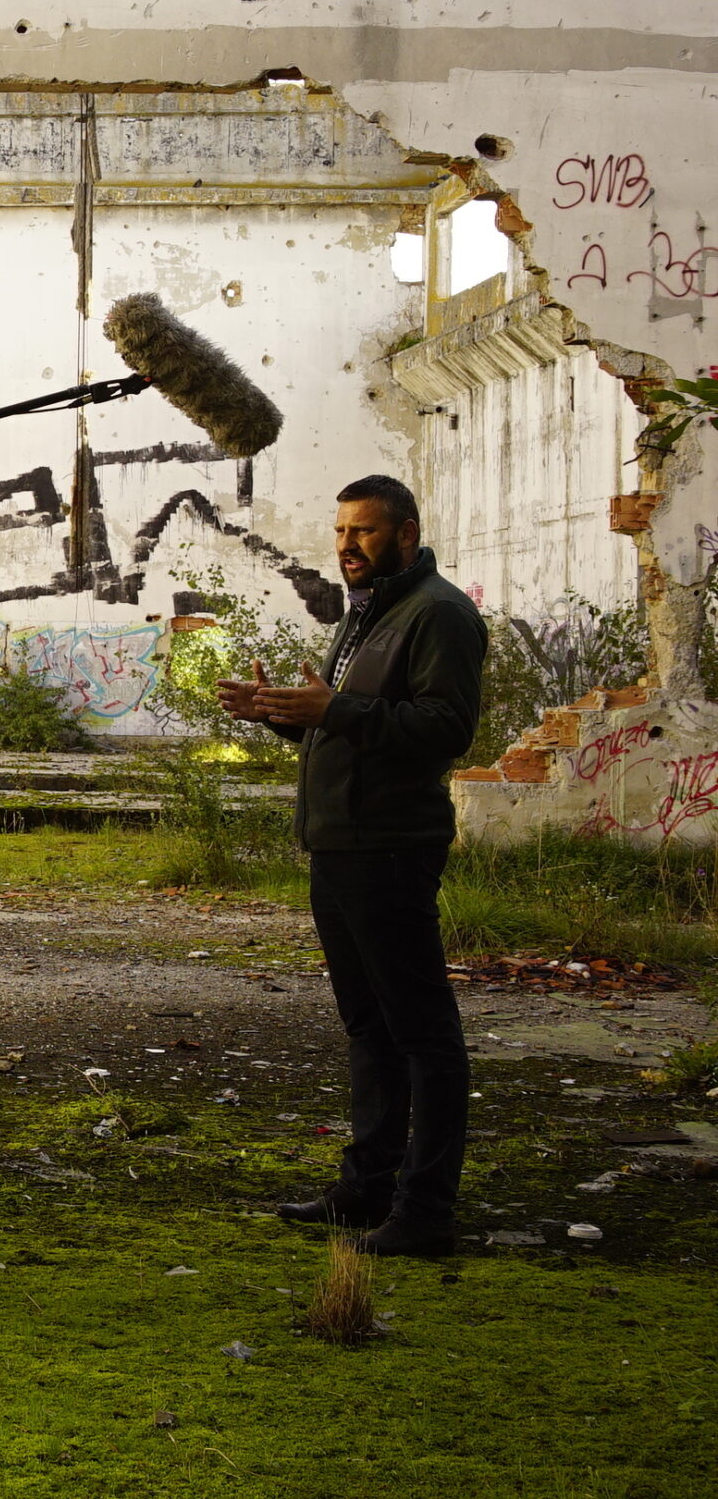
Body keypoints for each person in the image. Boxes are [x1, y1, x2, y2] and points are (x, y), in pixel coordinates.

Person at [219, 474, 486, 1258]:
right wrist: (281, 713)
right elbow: (350, 725)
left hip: (390, 847)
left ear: (406, 534)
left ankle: (425, 1212)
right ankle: (367, 1186)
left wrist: (332, 709)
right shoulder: (368, 611)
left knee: (422, 1034)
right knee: (369, 1027)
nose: (347, 546)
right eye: (340, 532)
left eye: (363, 531)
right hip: (338, 846)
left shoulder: (438, 612)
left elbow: (445, 728)